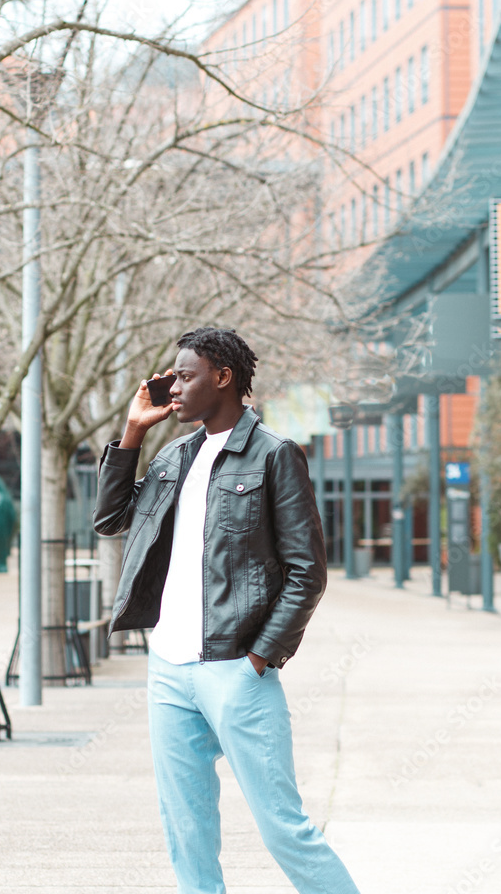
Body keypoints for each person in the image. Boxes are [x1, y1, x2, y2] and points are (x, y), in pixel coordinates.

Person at [94, 326, 361, 894]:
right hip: (168, 670)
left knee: (284, 829)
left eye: (186, 376)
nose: (175, 389)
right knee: (186, 828)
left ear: (224, 377)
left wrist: (260, 660)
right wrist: (133, 432)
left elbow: (307, 572)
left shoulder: (274, 456)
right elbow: (110, 520)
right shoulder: (173, 455)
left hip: (236, 672)